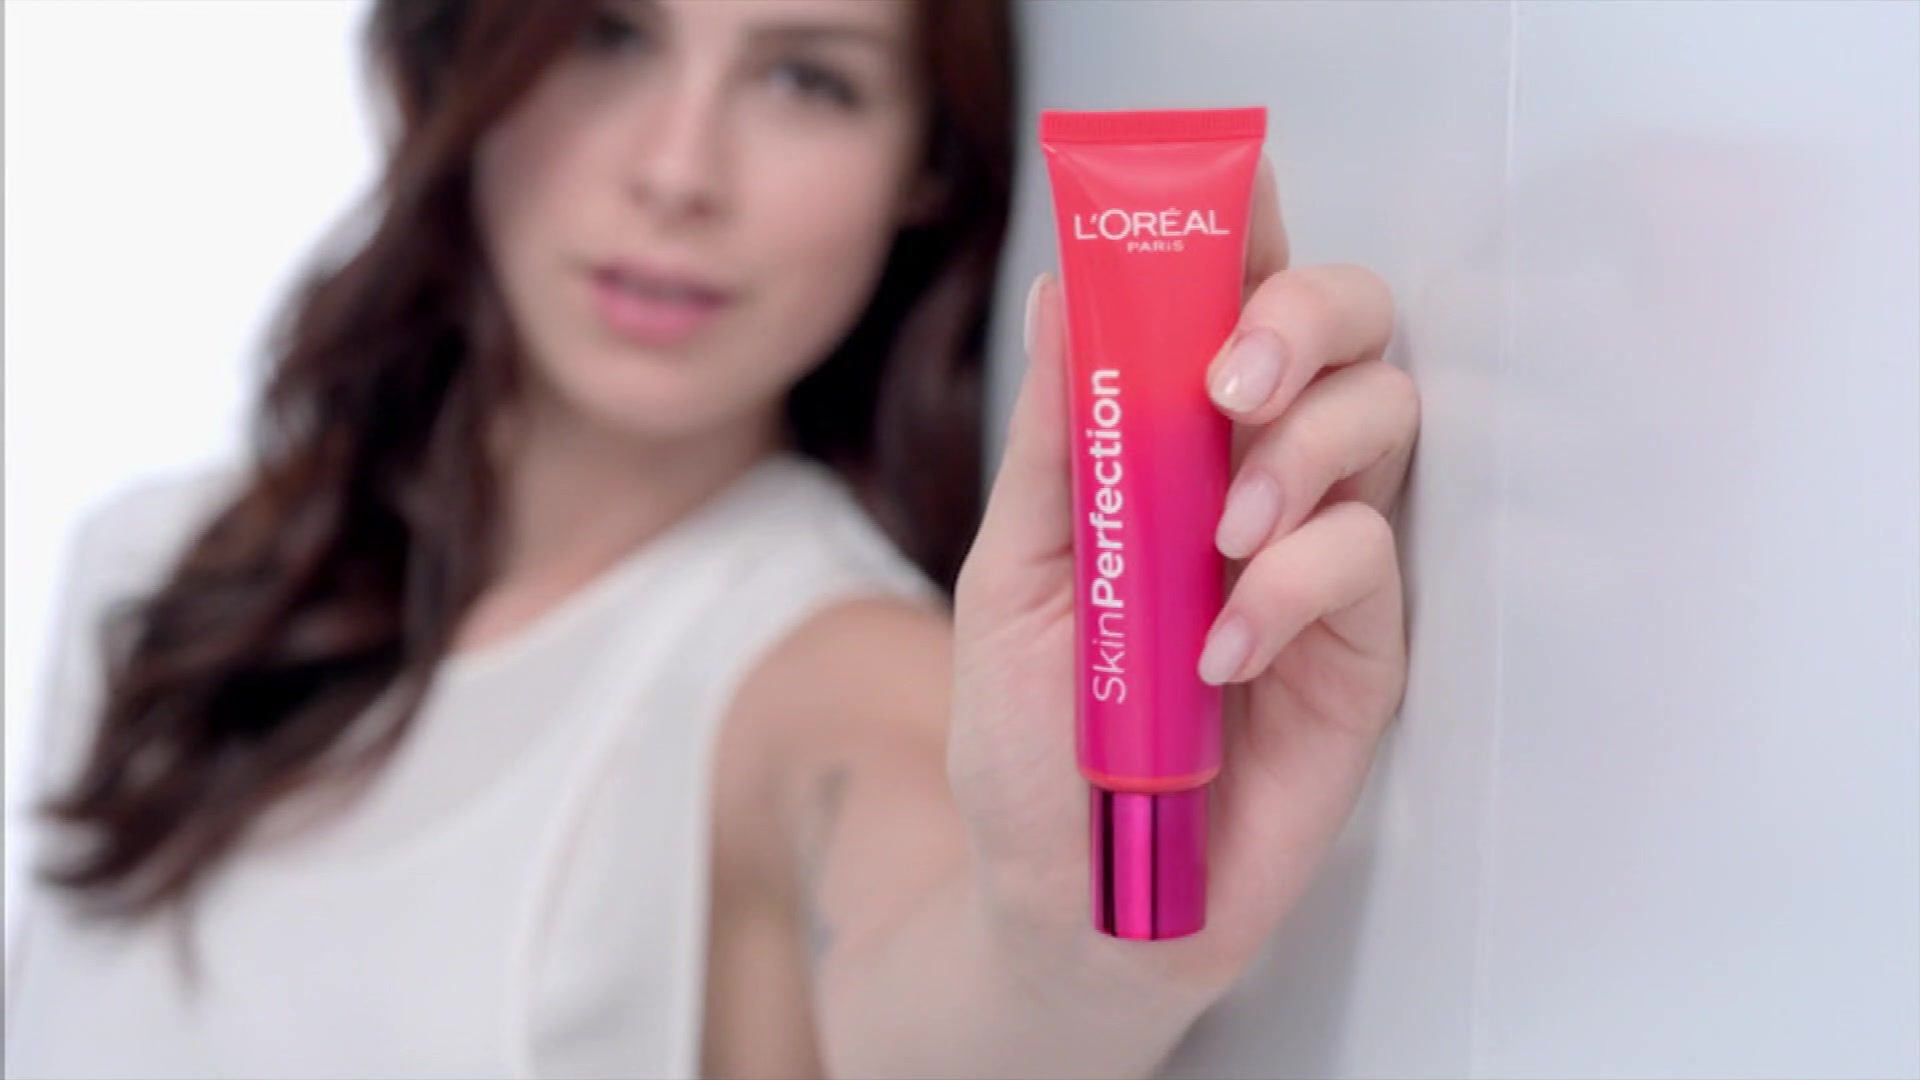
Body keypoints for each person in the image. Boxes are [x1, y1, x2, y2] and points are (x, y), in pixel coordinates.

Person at [5, 0, 1419, 1076]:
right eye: (609, 33)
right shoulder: (156, 568)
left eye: (808, 78)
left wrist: (1085, 948)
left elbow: (943, 975)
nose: (680, 170)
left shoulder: (834, 674)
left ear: (923, 164)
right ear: (456, 62)